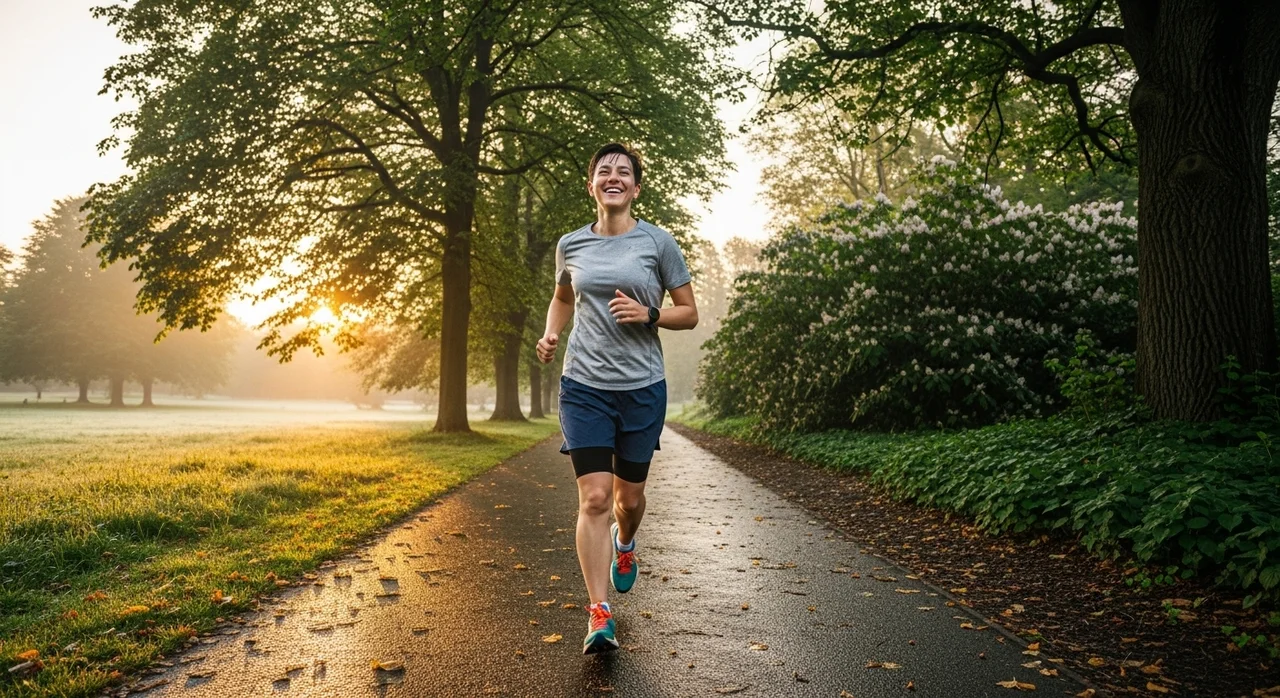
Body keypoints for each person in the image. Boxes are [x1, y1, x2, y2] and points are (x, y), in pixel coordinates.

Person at [536, 142, 699, 655]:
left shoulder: (658, 243)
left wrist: (650, 314)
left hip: (641, 388)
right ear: (591, 186)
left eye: (623, 172)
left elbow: (688, 312)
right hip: (583, 386)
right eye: (603, 170)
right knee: (595, 498)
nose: (613, 177)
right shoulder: (571, 245)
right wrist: (551, 334)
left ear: (635, 186)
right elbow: (564, 296)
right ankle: (599, 613)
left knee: (628, 502)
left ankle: (625, 546)